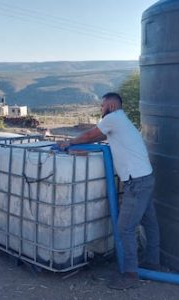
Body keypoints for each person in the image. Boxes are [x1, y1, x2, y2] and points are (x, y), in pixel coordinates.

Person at [58, 92, 160, 290]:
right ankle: (152, 262)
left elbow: (91, 134)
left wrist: (69, 142)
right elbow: (100, 136)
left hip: (136, 182)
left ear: (111, 107)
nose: (100, 109)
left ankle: (130, 275)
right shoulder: (121, 120)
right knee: (150, 222)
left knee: (125, 228)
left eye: (102, 106)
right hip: (146, 177)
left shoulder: (112, 118)